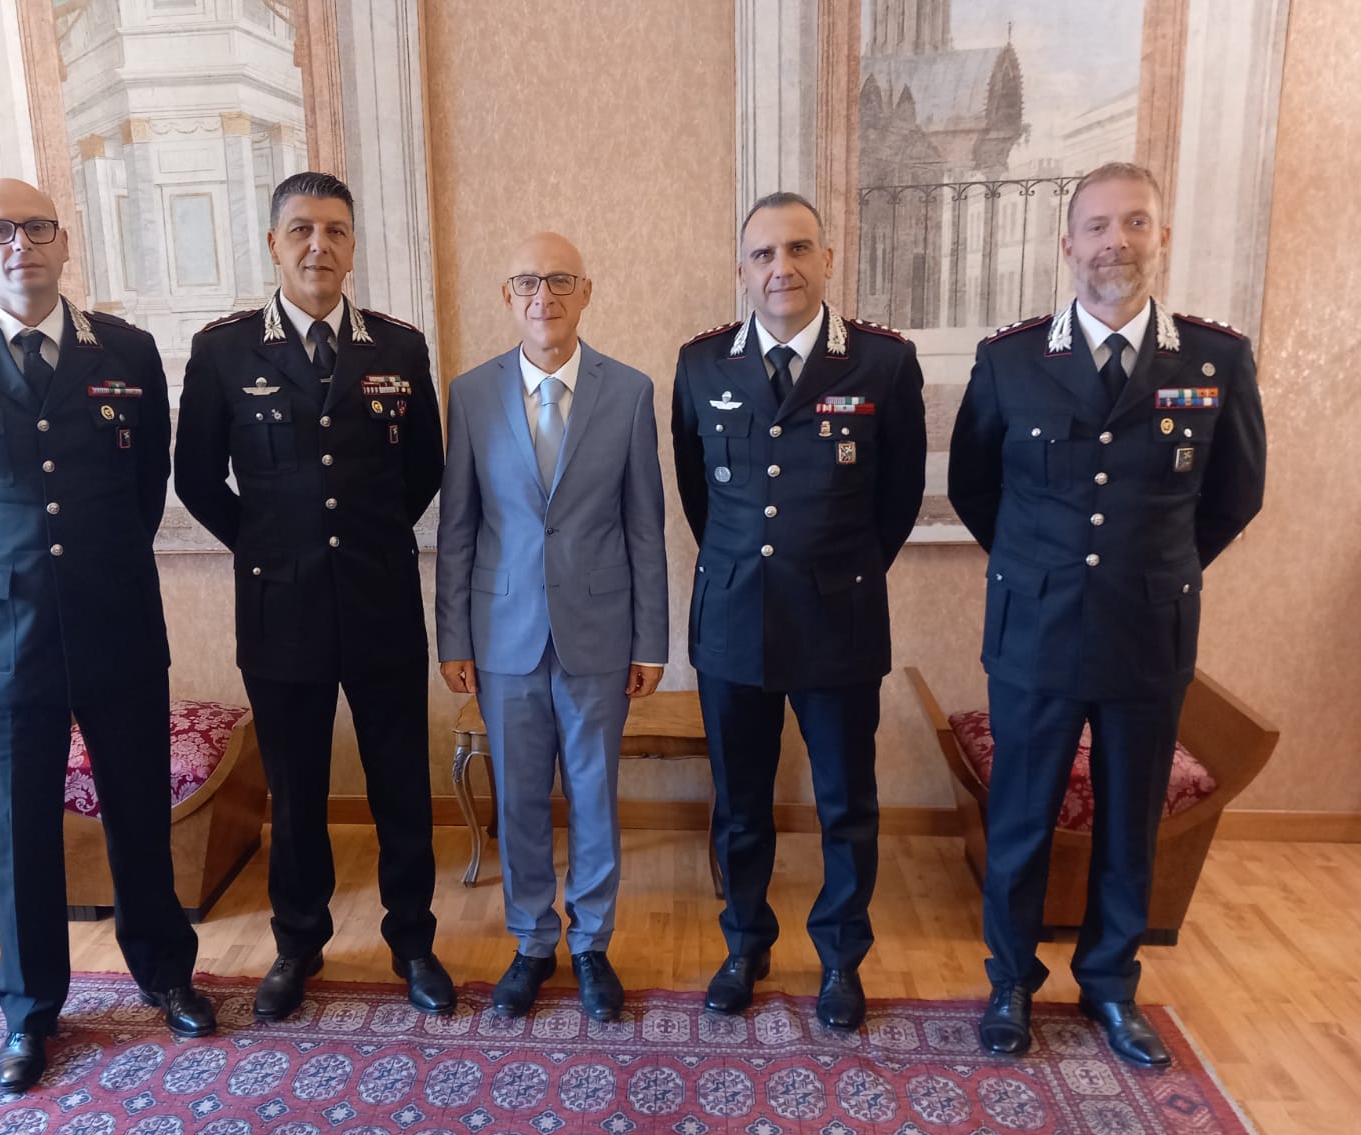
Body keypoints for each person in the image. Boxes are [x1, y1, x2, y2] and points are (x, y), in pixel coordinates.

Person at [0, 178, 214, 1094]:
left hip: (115, 621)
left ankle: (166, 974)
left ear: (63, 242)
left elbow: (146, 488)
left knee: (139, 813)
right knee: (17, 832)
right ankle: (31, 1013)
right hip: (0, 635)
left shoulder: (127, 352)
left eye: (36, 228)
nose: (19, 245)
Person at [948, 161, 1267, 1067]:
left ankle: (1110, 986)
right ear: (1068, 244)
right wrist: (1040, 571)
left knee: (1131, 821)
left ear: (1160, 237)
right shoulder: (1012, 359)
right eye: (1096, 226)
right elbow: (975, 486)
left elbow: (1234, 495)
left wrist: (1154, 570)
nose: (1114, 242)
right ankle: (1011, 982)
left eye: (1134, 223)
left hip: (1146, 632)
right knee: (1021, 820)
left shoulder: (1213, 359)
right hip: (1035, 631)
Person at [174, 171, 453, 1017]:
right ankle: (298, 945)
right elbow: (196, 478)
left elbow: (425, 468)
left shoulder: (398, 349)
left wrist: (368, 540)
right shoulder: (224, 351)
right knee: (295, 792)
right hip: (279, 609)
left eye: (335, 230)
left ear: (353, 245)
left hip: (380, 601)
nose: (318, 246)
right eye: (300, 230)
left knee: (400, 783)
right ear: (274, 243)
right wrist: (267, 548)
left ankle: (413, 942)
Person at [670, 192, 926, 1028]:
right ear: (742, 271)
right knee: (740, 804)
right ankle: (745, 944)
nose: (781, 267)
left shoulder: (883, 363)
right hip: (734, 620)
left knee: (846, 803)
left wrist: (837, 572)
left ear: (827, 259)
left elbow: (898, 498)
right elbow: (700, 495)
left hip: (838, 622)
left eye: (798, 249)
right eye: (763, 254)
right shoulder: (701, 364)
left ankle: (841, 959)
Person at [436, 233, 668, 1020]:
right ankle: (532, 943)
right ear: (508, 296)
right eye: (528, 282)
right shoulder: (471, 394)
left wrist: (651, 640)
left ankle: (592, 945)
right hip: (503, 636)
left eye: (561, 280)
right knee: (520, 799)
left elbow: (645, 527)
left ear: (586, 291)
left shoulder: (629, 392)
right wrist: (454, 638)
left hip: (599, 633)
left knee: (594, 796)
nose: (545, 296)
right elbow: (459, 528)